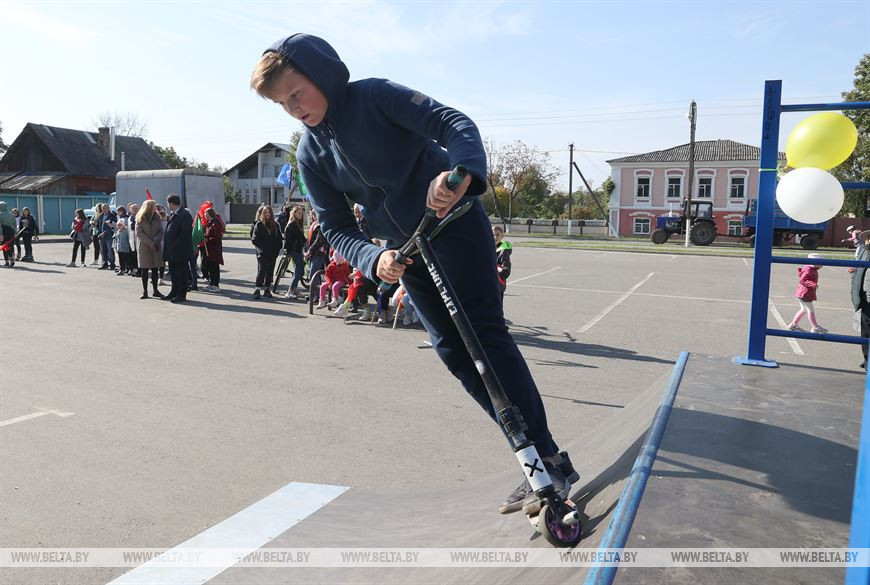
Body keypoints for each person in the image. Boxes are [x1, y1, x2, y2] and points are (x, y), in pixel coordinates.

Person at [250, 33, 578, 514]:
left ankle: (546, 458)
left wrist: (461, 173)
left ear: (322, 75)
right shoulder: (309, 155)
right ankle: (531, 457)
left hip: (454, 223)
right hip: (407, 251)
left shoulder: (374, 96)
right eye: (282, 104)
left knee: (484, 337)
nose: (294, 109)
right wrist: (372, 258)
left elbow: (452, 122)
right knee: (453, 352)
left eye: (296, 93)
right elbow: (336, 226)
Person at [163, 194, 193, 303]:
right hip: (172, 251)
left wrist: (175, 244)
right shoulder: (173, 214)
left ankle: (181, 294)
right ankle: (174, 292)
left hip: (180, 251)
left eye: (168, 203)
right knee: (174, 273)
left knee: (181, 273)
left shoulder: (184, 214)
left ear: (171, 203)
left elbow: (185, 233)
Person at [787, 253, 827, 334]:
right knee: (810, 310)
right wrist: (813, 284)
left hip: (803, 293)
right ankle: (815, 327)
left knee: (803, 310)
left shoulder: (811, 269)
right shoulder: (809, 270)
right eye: (821, 263)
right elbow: (803, 280)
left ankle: (793, 324)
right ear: (815, 263)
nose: (822, 265)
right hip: (805, 293)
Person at [251, 204, 282, 299]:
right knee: (262, 271)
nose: (267, 214)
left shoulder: (276, 225)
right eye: (265, 212)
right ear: (262, 214)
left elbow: (279, 239)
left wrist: (276, 250)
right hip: (262, 253)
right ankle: (257, 289)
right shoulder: (259, 224)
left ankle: (267, 289)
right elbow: (255, 239)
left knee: (270, 271)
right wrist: (262, 249)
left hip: (272, 253)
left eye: (269, 212)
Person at [136, 200, 165, 299]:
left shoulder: (157, 217)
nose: (155, 208)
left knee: (155, 269)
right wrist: (150, 242)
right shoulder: (140, 217)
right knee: (145, 269)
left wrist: (155, 241)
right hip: (145, 247)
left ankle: (155, 290)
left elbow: (161, 231)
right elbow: (139, 233)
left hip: (155, 246)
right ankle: (145, 291)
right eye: (153, 206)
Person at [853, 230, 870, 369]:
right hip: (865, 297)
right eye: (868, 238)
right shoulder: (864, 252)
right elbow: (858, 271)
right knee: (865, 332)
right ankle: (867, 359)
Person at [282, 205, 307, 298]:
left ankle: (294, 289)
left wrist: (306, 242)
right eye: (299, 213)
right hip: (294, 250)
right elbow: (288, 240)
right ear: (294, 213)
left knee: (299, 271)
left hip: (298, 250)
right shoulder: (292, 224)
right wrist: (287, 251)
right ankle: (290, 291)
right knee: (299, 271)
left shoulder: (297, 224)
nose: (300, 214)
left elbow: (301, 238)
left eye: (301, 213)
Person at [201, 207, 224, 292]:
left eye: (206, 214)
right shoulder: (209, 223)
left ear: (210, 214)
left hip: (214, 249)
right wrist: (205, 236)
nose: (205, 216)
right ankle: (211, 283)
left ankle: (216, 285)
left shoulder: (215, 223)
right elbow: (208, 234)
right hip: (209, 249)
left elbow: (217, 237)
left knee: (214, 267)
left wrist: (208, 239)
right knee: (210, 267)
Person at [305, 208, 329, 285]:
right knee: (315, 274)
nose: (314, 216)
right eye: (313, 215)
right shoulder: (314, 224)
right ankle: (317, 291)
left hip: (319, 252)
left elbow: (318, 240)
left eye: (316, 214)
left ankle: (316, 291)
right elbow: (310, 239)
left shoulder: (322, 225)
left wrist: (310, 250)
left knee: (313, 273)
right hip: (313, 252)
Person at [493, 225, 512, 303]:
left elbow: (506, 271)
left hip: (498, 287)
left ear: (502, 236)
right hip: (487, 286)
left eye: (497, 235)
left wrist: (496, 268)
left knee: (496, 309)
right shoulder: (488, 249)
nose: (495, 237)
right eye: (493, 235)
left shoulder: (503, 251)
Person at [96, 204, 117, 270]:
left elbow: (113, 227)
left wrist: (104, 233)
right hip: (101, 236)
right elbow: (98, 225)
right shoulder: (101, 215)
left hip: (109, 236)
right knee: (103, 251)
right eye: (103, 208)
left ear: (108, 208)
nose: (104, 209)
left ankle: (112, 264)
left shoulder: (112, 216)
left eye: (105, 208)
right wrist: (99, 233)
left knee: (110, 251)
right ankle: (105, 264)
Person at [114, 207, 132, 275]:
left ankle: (130, 269)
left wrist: (129, 246)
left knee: (128, 259)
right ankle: (122, 269)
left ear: (123, 225)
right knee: (121, 259)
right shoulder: (118, 231)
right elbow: (116, 240)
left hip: (125, 248)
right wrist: (116, 246)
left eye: (120, 225)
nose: (119, 226)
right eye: (118, 225)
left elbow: (128, 239)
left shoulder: (126, 231)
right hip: (119, 248)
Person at [0, 202, 16, 267]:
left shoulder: (0, 214)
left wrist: (0, 234)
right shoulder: (11, 214)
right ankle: (12, 260)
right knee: (10, 246)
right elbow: (14, 224)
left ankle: (6, 261)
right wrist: (15, 232)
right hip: (11, 231)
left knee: (4, 246)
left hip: (3, 230)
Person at [128, 203, 140, 277]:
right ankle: (135, 270)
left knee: (139, 256)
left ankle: (140, 271)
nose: (135, 210)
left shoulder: (140, 216)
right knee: (133, 256)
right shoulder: (130, 218)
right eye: (133, 209)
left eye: (136, 208)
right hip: (131, 239)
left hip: (138, 239)